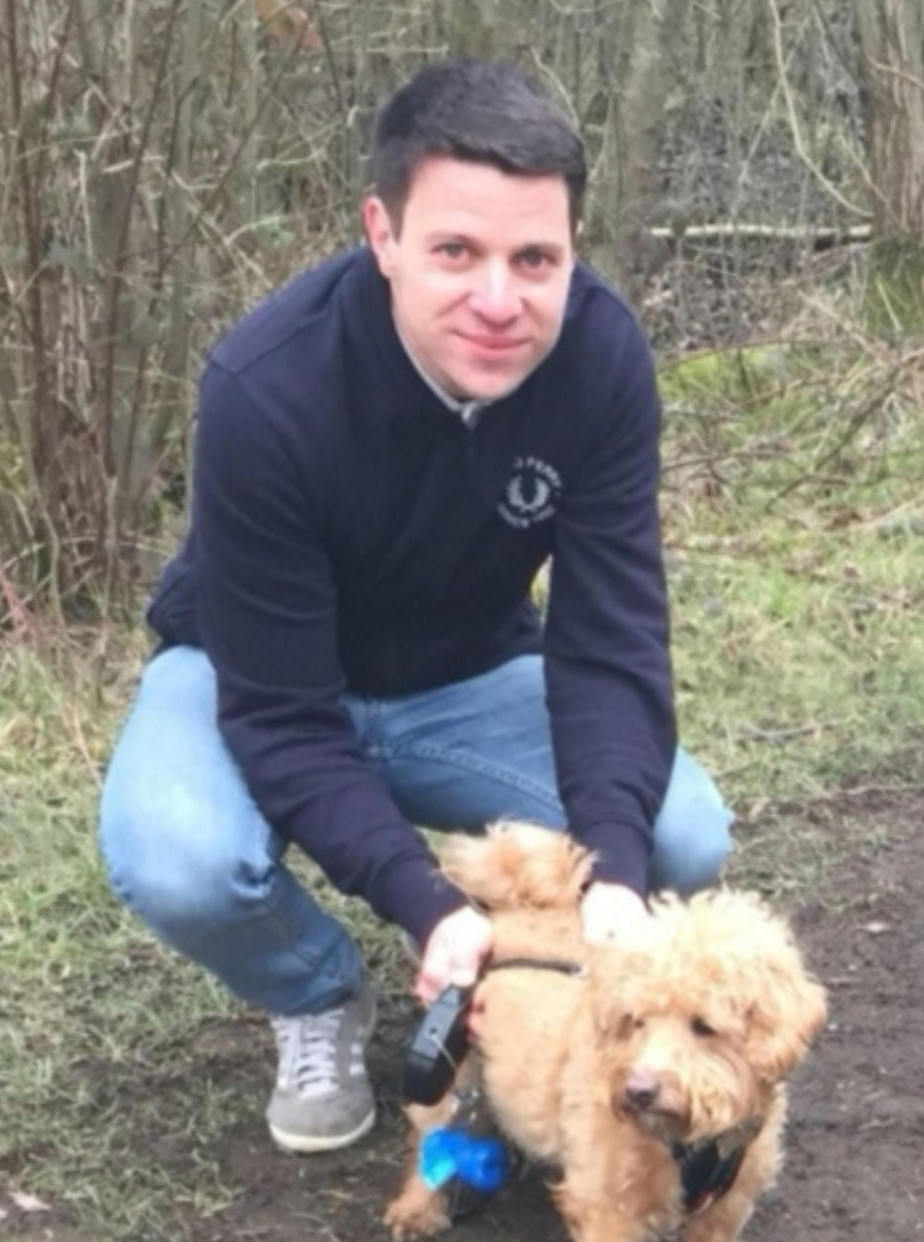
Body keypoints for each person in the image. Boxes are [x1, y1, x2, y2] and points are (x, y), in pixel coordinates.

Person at [99, 58, 732, 1158]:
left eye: (536, 259)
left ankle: (543, 1003)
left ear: (574, 250)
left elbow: (610, 643)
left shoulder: (602, 357)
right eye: (456, 252)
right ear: (381, 234)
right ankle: (316, 992)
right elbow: (284, 719)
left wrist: (616, 879)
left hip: (466, 679)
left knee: (678, 835)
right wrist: (426, 900)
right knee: (180, 857)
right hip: (255, 675)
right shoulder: (265, 388)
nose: (501, 299)